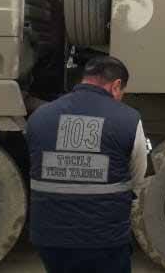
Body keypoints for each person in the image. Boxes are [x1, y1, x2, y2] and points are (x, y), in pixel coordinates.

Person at [28, 56, 148, 273]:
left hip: (49, 237)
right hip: (105, 238)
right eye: (122, 93)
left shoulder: (39, 116)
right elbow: (137, 177)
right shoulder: (129, 119)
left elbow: (36, 167)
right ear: (116, 86)